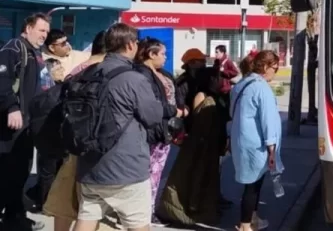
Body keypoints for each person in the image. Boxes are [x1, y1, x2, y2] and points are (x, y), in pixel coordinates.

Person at [72, 23, 164, 231]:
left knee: (87, 216)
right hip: (126, 168)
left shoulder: (88, 74)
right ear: (131, 45)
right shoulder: (133, 79)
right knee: (138, 223)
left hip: (89, 164)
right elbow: (153, 116)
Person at [43, 31, 114, 231]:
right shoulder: (100, 72)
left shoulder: (76, 70)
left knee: (66, 199)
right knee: (88, 205)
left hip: (71, 141)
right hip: (89, 145)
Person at [156, 48, 228, 227]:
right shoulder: (184, 83)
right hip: (193, 133)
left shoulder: (205, 81)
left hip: (208, 133)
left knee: (209, 169)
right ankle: (194, 203)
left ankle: (212, 198)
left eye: (203, 61)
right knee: (194, 170)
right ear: (190, 63)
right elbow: (182, 109)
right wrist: (182, 133)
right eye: (199, 61)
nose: (203, 63)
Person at [0, 12, 51, 231]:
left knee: (20, 171)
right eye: (41, 30)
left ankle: (15, 216)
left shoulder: (35, 53)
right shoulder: (14, 47)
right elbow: (1, 79)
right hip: (10, 124)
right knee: (6, 171)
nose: (44, 35)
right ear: (28, 28)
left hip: (28, 125)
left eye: (47, 32)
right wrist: (11, 107)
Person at [230, 51, 283, 231]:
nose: (275, 72)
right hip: (257, 144)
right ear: (265, 66)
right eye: (275, 68)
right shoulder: (261, 87)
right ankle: (245, 226)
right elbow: (268, 120)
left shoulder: (241, 84)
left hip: (241, 141)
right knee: (252, 187)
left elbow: (232, 113)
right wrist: (272, 149)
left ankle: (253, 219)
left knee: (252, 183)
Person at [132, 38, 180, 226]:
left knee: (156, 171)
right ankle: (146, 210)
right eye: (162, 53)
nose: (165, 57)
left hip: (163, 131)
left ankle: (148, 207)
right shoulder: (142, 74)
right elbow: (153, 105)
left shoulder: (159, 73)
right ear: (151, 54)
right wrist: (174, 111)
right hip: (152, 131)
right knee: (148, 172)